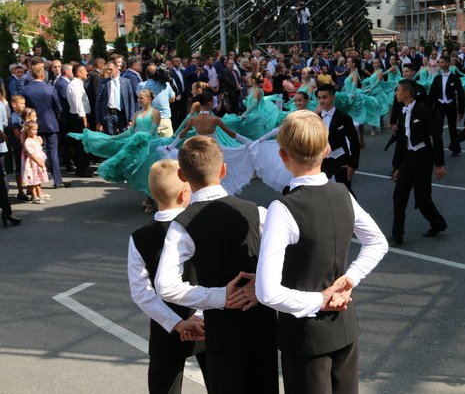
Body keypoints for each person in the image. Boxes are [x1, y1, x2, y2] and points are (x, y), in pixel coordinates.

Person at [256, 110, 388, 394]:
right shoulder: (342, 193)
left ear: (282, 156)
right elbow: (378, 242)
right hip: (345, 327)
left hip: (305, 337)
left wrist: (319, 300)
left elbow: (267, 291)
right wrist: (349, 279)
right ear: (327, 150)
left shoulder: (283, 208)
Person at [155, 136, 279, 394]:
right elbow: (287, 255)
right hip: (263, 328)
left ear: (182, 175)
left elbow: (165, 286)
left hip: (222, 334)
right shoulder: (256, 211)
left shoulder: (182, 224)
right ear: (223, 170)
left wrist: (219, 296)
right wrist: (261, 284)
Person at [128, 159, 208, 394]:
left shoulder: (140, 237)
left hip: (165, 325)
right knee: (222, 383)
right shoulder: (202, 227)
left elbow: (141, 292)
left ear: (152, 195)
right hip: (207, 321)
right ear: (186, 193)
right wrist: (199, 317)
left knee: (164, 387)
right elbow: (216, 277)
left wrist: (177, 323)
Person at [389, 79, 447, 245]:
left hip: (423, 158)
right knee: (399, 195)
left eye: (398, 90)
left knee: (422, 198)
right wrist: (396, 167)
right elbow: (401, 141)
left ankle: (438, 223)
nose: (396, 93)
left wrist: (439, 164)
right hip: (407, 158)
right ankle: (397, 234)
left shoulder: (422, 111)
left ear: (406, 93)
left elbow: (436, 136)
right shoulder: (402, 112)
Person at [22, 64, 69, 188]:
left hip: (33, 124)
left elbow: (24, 109)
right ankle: (57, 180)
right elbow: (58, 107)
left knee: (36, 152)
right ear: (42, 75)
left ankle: (38, 182)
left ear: (32, 75)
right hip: (50, 124)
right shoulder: (50, 89)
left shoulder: (26, 90)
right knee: (53, 152)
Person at [317, 83, 360, 197]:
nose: (321, 100)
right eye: (319, 98)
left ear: (333, 97)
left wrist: (352, 165)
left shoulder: (344, 118)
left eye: (324, 97)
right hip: (323, 160)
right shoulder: (316, 117)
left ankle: (354, 214)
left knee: (345, 192)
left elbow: (355, 142)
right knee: (321, 192)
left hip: (341, 159)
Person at [428, 56, 465, 156]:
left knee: (452, 128)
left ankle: (455, 148)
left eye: (442, 62)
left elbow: (461, 94)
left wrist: (461, 111)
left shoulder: (455, 78)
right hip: (440, 105)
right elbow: (431, 95)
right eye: (439, 62)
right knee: (437, 128)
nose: (440, 64)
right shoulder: (437, 78)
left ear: (448, 63)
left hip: (451, 105)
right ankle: (437, 149)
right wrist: (428, 109)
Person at [95, 61, 137, 135]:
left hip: (122, 114)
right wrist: (98, 121)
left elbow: (131, 101)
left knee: (125, 136)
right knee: (111, 138)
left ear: (117, 68)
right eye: (107, 69)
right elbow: (98, 102)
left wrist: (131, 119)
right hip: (108, 114)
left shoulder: (126, 82)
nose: (108, 71)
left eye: (110, 69)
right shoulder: (103, 82)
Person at [66, 64, 92, 177]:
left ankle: (84, 167)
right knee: (80, 145)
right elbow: (78, 104)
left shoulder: (78, 84)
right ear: (78, 73)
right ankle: (81, 169)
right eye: (84, 71)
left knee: (82, 144)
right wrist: (84, 119)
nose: (87, 73)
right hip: (78, 117)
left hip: (80, 116)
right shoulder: (75, 85)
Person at [138, 64, 176, 138]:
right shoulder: (165, 85)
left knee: (150, 146)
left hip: (148, 121)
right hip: (164, 121)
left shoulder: (141, 85)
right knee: (166, 146)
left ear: (146, 74)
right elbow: (172, 99)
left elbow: (140, 97)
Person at [21, 121, 50, 204]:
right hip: (33, 163)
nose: (35, 131)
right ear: (27, 130)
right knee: (33, 181)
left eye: (36, 129)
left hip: (39, 161)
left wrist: (42, 160)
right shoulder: (27, 141)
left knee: (38, 180)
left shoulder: (35, 139)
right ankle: (34, 196)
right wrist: (38, 162)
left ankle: (39, 194)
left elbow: (39, 150)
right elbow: (31, 154)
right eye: (33, 129)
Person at [9, 96, 28, 200]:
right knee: (20, 167)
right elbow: (17, 133)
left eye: (24, 104)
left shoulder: (24, 115)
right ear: (14, 104)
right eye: (22, 103)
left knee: (28, 166)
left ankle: (30, 188)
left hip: (26, 145)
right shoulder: (14, 117)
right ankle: (20, 191)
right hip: (19, 145)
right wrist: (23, 142)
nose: (24, 106)